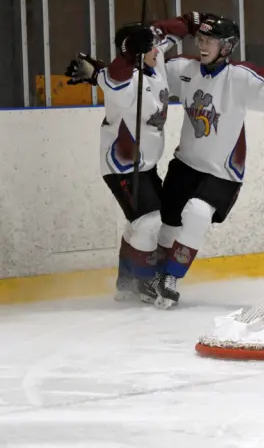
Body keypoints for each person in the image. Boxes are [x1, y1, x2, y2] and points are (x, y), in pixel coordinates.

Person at [139, 12, 264, 309]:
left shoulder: (240, 77)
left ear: (226, 46)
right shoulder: (184, 69)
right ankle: (155, 275)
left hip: (222, 173)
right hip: (184, 165)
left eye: (209, 40)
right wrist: (136, 48)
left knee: (198, 213)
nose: (202, 45)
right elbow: (150, 66)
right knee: (168, 225)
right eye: (200, 38)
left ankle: (171, 279)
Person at [65, 22, 179, 302]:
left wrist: (193, 21)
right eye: (148, 45)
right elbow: (115, 76)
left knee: (153, 221)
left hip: (146, 164)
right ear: (135, 52)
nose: (156, 49)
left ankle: (127, 281)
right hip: (122, 165)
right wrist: (128, 54)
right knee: (149, 221)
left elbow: (176, 30)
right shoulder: (124, 80)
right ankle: (142, 282)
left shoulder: (154, 57)